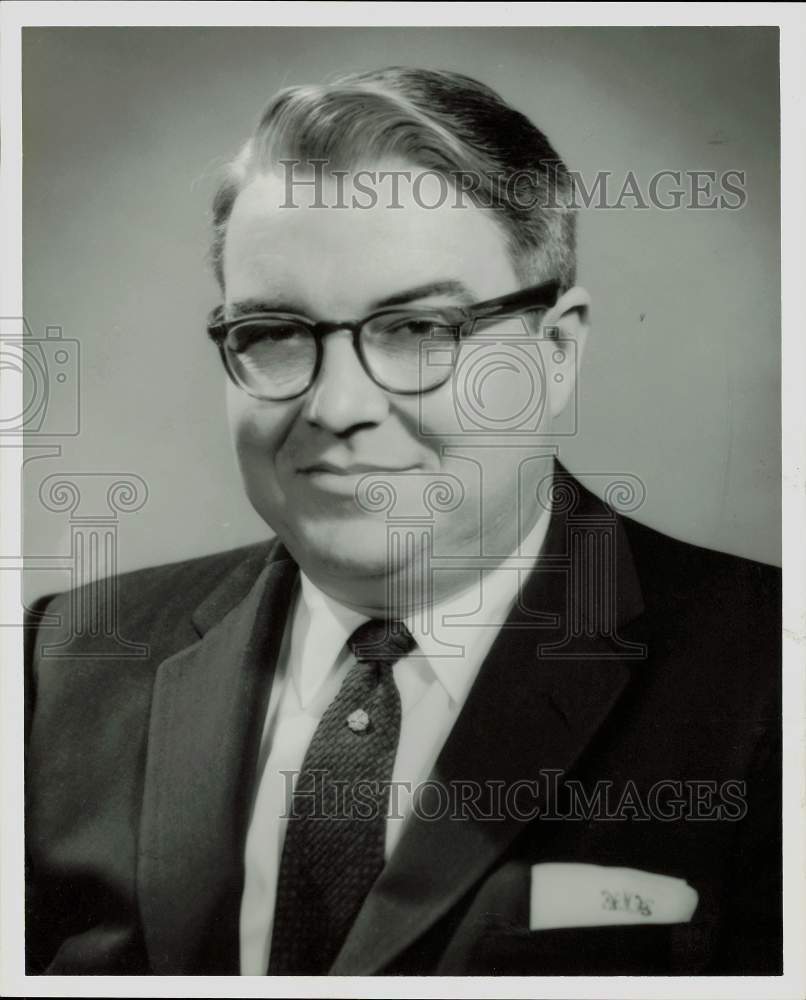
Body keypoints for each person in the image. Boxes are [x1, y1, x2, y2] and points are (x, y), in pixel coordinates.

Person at [24, 67, 781, 976]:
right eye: (273, 331)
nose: (337, 405)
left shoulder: (767, 670)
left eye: (419, 331)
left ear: (556, 352)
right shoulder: (62, 665)